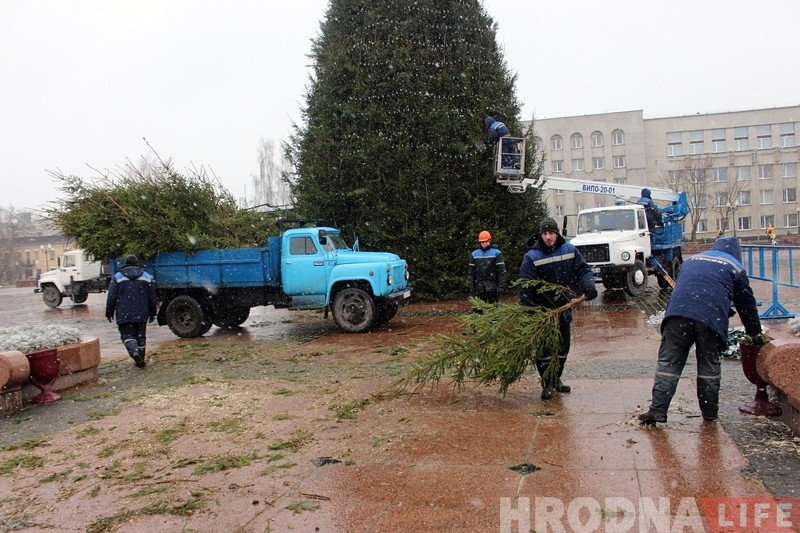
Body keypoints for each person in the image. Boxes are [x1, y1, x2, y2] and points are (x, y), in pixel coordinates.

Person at [639, 237, 765, 425]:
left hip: (677, 315)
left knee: (668, 364)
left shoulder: (691, 261)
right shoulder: (735, 267)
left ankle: (657, 410)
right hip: (710, 320)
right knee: (708, 366)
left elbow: (692, 288)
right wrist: (755, 333)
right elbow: (746, 305)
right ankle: (709, 413)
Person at [519, 218, 598, 400]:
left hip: (563, 308)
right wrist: (527, 309)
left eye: (551, 233)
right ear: (540, 235)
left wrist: (589, 285)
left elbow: (584, 270)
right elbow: (525, 286)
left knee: (563, 349)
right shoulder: (532, 257)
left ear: (557, 234)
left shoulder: (569, 250)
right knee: (545, 352)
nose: (548, 237)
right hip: (542, 312)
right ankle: (547, 383)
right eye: (545, 234)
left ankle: (556, 379)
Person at [105, 255, 158, 368]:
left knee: (127, 335)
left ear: (126, 264)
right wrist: (153, 312)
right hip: (142, 313)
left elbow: (111, 296)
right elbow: (152, 297)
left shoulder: (118, 277)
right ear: (137, 263)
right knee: (141, 337)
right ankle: (141, 359)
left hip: (124, 313)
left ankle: (134, 353)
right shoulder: (147, 277)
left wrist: (109, 312)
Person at [468, 230, 506, 304]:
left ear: (489, 241)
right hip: (479, 287)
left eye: (486, 241)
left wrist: (501, 285)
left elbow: (501, 271)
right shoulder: (474, 254)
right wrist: (471, 285)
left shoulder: (497, 253)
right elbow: (471, 272)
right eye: (482, 242)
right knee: (478, 310)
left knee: (494, 310)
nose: (484, 244)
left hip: (493, 287)